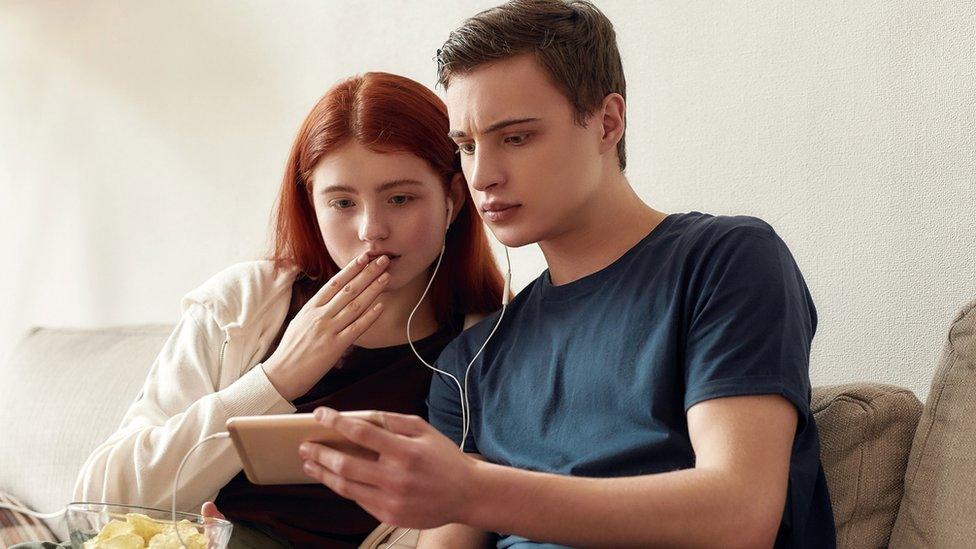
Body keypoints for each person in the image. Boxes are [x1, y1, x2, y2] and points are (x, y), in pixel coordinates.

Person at [298, 1, 837, 548]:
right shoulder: (468, 363)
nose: (482, 175)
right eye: (466, 146)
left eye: (516, 137)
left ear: (607, 123)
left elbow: (739, 515)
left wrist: (475, 489)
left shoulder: (724, 261)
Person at [66, 72, 506, 548]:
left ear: (453, 200)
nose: (371, 230)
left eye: (400, 198)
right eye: (342, 202)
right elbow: (100, 502)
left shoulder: (487, 344)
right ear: (312, 206)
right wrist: (276, 378)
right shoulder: (245, 303)